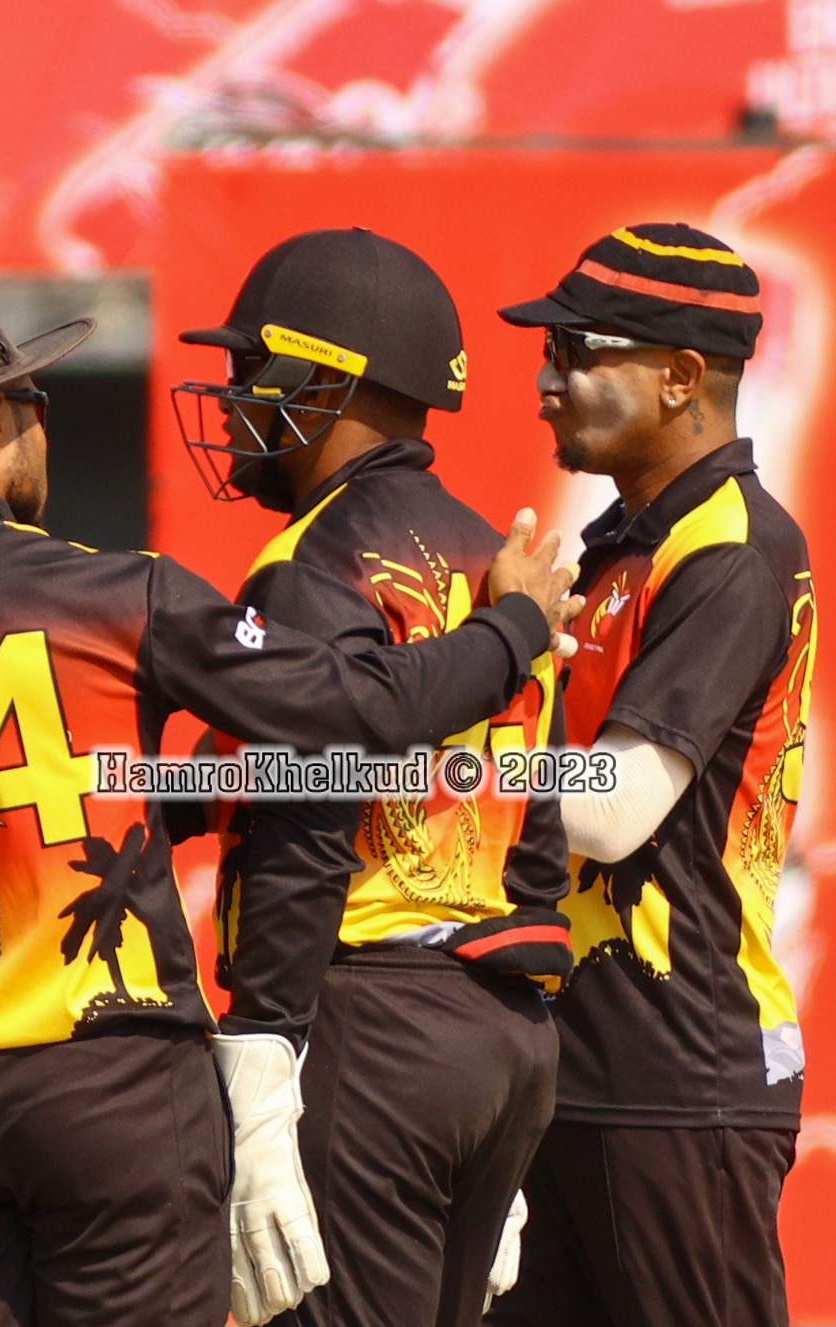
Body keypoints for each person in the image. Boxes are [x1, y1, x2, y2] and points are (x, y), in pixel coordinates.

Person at [0, 290, 580, 1327]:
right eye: (33, 403)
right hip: (111, 1085)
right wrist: (512, 627)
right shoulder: (116, 592)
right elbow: (359, 710)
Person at [166, 229, 572, 1327]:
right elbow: (536, 826)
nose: (234, 398)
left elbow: (308, 815)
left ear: (324, 382)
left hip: (367, 1025)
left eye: (251, 367)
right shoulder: (495, 559)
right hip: (497, 1033)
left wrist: (263, 1044)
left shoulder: (312, 560)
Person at [486, 223, 809, 1327]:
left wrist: (421, 760)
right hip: (577, 1060)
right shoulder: (623, 542)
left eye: (578, 352)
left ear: (680, 377)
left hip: (679, 1071)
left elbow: (617, 808)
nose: (548, 382)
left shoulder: (729, 549)